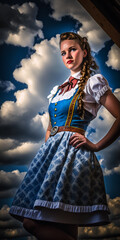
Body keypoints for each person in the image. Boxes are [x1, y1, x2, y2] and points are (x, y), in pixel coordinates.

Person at [9, 32, 120, 240]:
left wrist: (96, 146)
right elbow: (50, 128)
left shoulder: (92, 81)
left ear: (84, 52)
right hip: (52, 158)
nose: (68, 55)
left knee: (35, 222)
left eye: (73, 49)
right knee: (51, 222)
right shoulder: (58, 90)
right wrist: (47, 156)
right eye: (63, 52)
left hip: (74, 157)